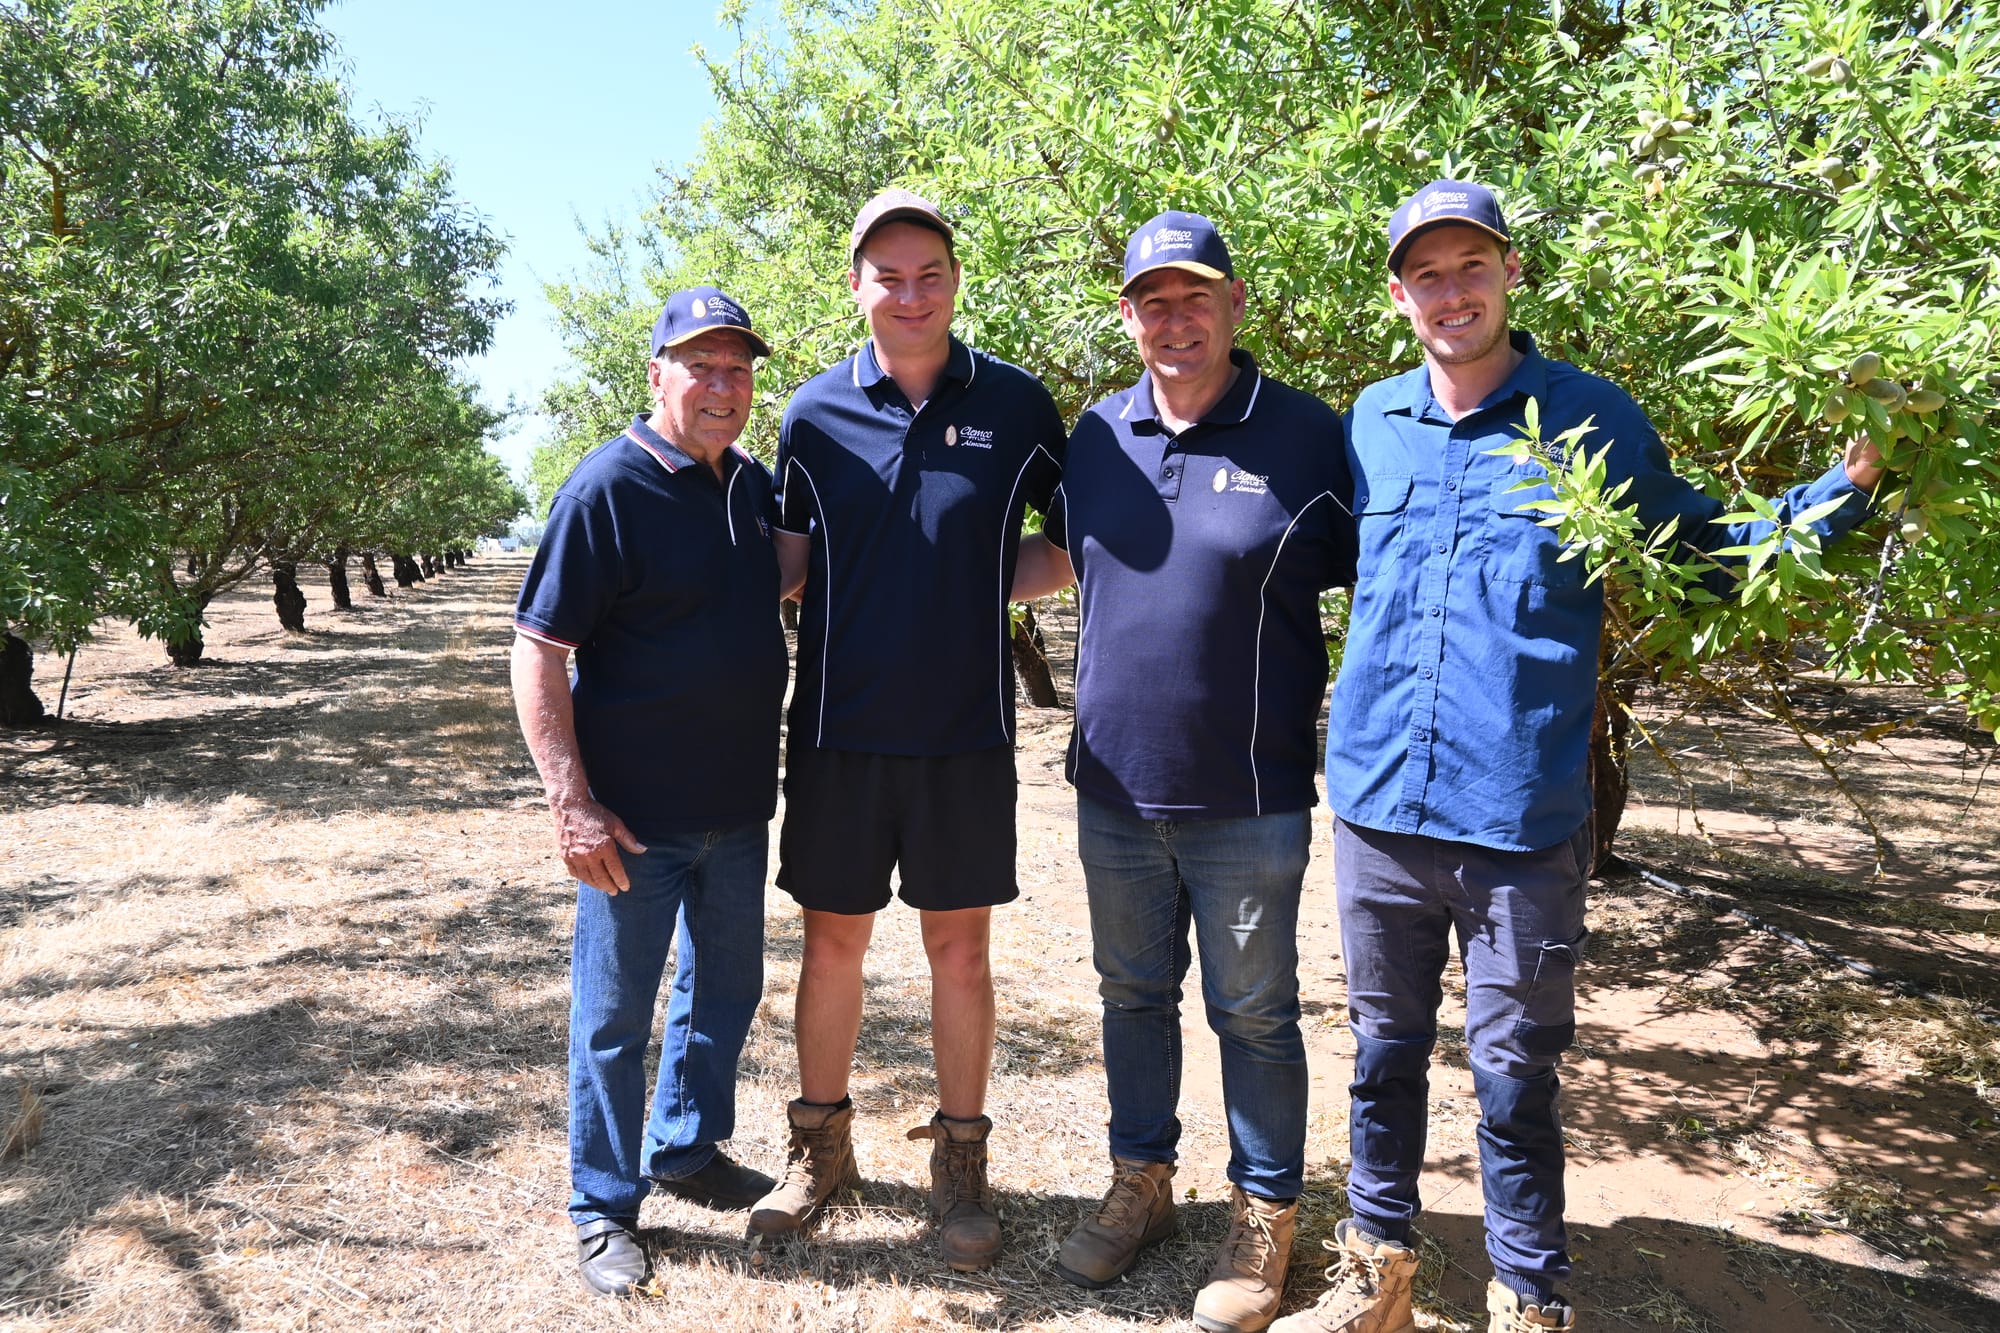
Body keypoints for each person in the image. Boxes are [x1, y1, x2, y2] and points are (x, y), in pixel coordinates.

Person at [1272, 181, 1886, 1333]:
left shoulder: (1588, 418)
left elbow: (1700, 549)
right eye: (1424, 274)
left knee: (1512, 1081)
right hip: (1377, 808)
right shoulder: (1370, 421)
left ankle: (1527, 1296)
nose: (1449, 292)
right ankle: (1377, 1270)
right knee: (1380, 1055)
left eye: (1470, 266)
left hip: (1515, 814)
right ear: (1398, 295)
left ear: (1509, 273)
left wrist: (1841, 493)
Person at [1010, 210, 1356, 1333]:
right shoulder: (1097, 436)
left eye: (1195, 296)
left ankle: (1265, 1216)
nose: (1175, 319)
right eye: (1152, 301)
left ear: (1235, 304)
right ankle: (1142, 1183)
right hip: (1113, 789)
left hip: (1247, 800)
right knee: (1130, 995)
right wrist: (906, 570)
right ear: (1127, 317)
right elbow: (1058, 560)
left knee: (1252, 1012)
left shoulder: (1307, 437)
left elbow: (1380, 575)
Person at [747, 189, 1066, 1271]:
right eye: (889, 275)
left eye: (930, 273)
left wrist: (979, 586)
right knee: (831, 944)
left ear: (956, 281)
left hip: (965, 736)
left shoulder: (1017, 406)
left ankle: (961, 1167)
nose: (911, 293)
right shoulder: (811, 414)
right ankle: (818, 1152)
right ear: (856, 286)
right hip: (837, 732)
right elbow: (789, 568)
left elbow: (1071, 545)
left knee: (959, 951)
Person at [509, 288, 787, 1297]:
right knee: (615, 1016)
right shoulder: (606, 489)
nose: (722, 386)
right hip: (631, 820)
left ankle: (687, 1146)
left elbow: (770, 587)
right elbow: (538, 650)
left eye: (737, 369)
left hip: (737, 810)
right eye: (700, 365)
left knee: (725, 990)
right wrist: (571, 802)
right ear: (656, 373)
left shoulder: (748, 485)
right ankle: (602, 1205)